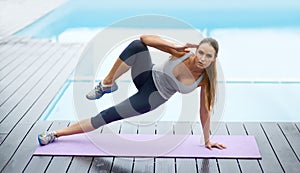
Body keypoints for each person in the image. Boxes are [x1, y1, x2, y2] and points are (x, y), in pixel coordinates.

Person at [38, 35, 226, 150]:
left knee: (106, 115)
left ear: (214, 58)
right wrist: (174, 46)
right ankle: (107, 84)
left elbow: (204, 110)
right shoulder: (183, 54)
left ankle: (55, 134)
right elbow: (145, 39)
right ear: (196, 50)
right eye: (201, 52)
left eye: (208, 56)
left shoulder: (206, 81)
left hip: (151, 98)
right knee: (137, 45)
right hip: (146, 75)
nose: (202, 58)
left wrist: (207, 140)